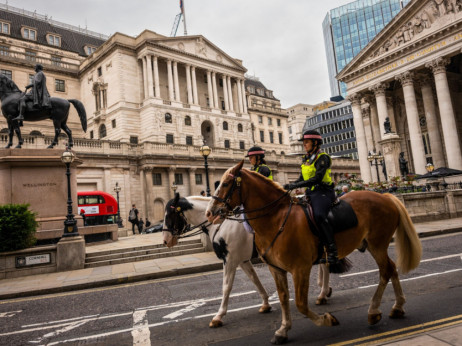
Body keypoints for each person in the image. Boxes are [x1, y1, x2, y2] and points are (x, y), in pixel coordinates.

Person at [283, 130, 338, 266]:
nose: (304, 145)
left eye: (306, 142)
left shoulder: (323, 157)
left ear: (315, 143)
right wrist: (292, 185)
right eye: (304, 143)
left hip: (323, 191)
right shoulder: (306, 159)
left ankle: (332, 250)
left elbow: (317, 178)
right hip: (311, 193)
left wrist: (297, 184)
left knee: (319, 215)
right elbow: (303, 177)